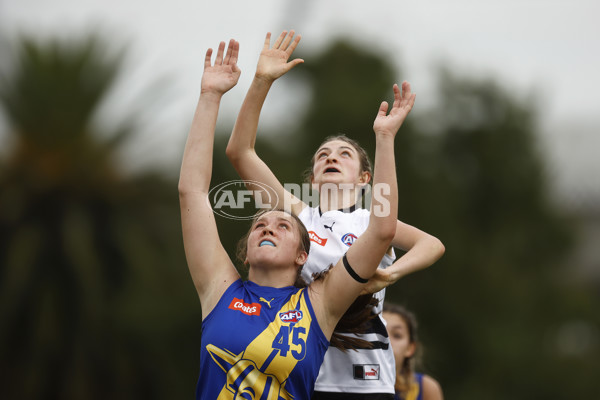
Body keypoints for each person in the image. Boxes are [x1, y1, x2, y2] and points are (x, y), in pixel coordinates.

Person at [226, 30, 445, 399]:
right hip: (300, 371)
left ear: (364, 179)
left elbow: (432, 245)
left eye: (344, 154)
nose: (331, 157)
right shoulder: (296, 218)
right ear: (312, 179)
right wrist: (262, 81)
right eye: (323, 155)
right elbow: (241, 152)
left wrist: (391, 273)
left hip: (367, 377)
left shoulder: (370, 221)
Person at [180, 37, 402, 399]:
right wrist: (210, 96)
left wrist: (385, 137)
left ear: (304, 254)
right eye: (259, 225)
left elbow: (382, 231)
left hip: (365, 384)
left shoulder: (317, 304)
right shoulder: (218, 289)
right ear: (245, 252)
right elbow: (192, 192)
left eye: (283, 225)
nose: (268, 224)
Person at [382, 303, 444, 400]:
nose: (386, 339)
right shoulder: (352, 382)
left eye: (397, 335)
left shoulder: (425, 388)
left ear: (410, 348)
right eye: (379, 332)